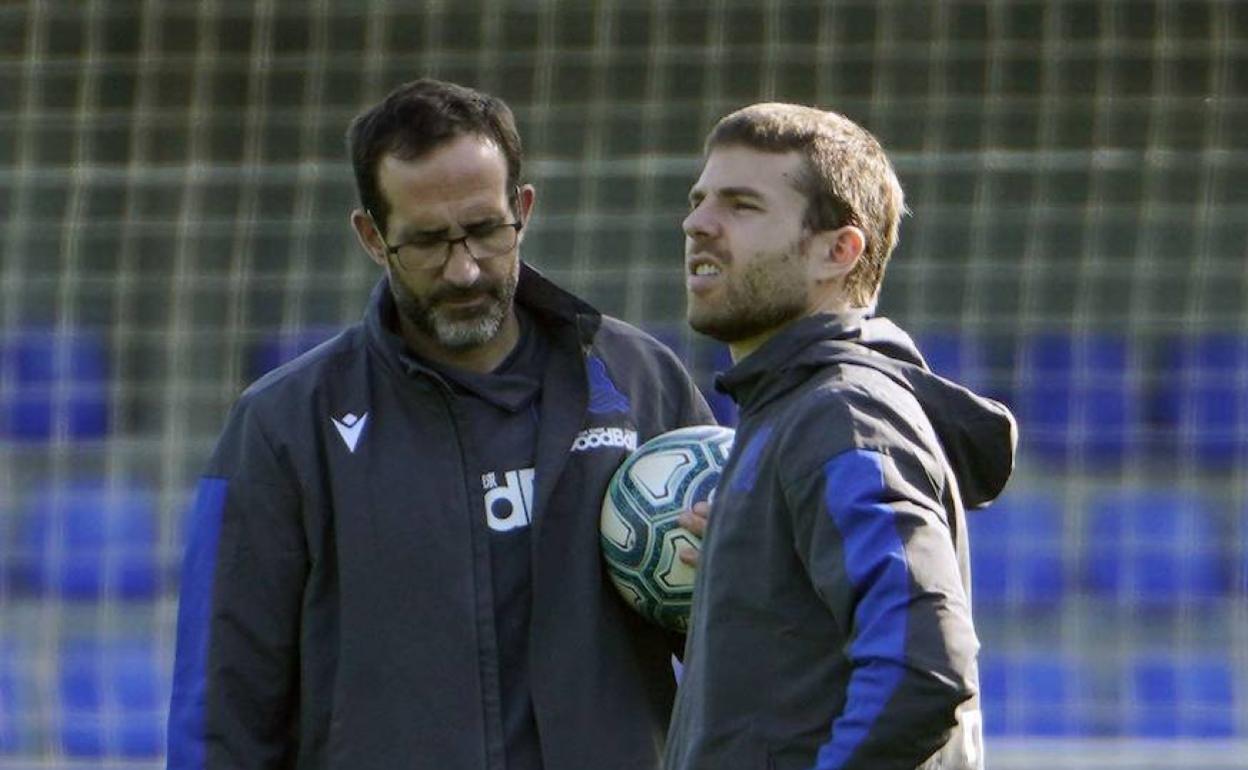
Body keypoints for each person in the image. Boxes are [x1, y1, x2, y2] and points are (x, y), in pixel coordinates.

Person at [166, 78, 714, 770]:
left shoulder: (641, 382)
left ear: (523, 209)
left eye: (485, 230)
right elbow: (222, 705)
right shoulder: (283, 427)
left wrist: (729, 564)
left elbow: (734, 642)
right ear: (372, 237)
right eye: (426, 241)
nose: (464, 270)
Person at [664, 104, 1017, 770]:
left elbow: (922, 669)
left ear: (838, 250)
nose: (697, 223)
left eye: (741, 205)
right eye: (698, 200)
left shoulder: (844, 415)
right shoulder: (790, 411)